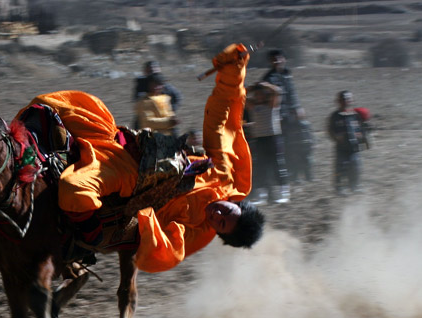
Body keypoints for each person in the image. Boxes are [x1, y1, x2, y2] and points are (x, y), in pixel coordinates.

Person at [18, 44, 263, 273]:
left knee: (75, 190)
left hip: (127, 176)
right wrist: (233, 71)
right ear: (236, 202)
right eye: (227, 211)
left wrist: (147, 213)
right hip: (128, 144)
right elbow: (221, 121)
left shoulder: (196, 230)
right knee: (56, 105)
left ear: (218, 233)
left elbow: (167, 250)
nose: (217, 214)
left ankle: (88, 238)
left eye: (220, 223)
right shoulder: (223, 174)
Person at [261, 49, 307, 184]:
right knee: (281, 147)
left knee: (295, 145)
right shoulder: (268, 78)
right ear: (270, 61)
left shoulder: (287, 74)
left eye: (279, 58)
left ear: (284, 59)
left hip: (292, 116)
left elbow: (292, 93)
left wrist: (298, 107)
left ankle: (296, 174)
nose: (277, 61)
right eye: (274, 59)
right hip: (278, 118)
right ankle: (283, 176)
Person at [243, 81, 289, 205]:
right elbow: (240, 95)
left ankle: (283, 193)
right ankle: (261, 195)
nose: (259, 96)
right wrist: (251, 88)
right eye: (256, 94)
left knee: (277, 165)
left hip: (273, 138)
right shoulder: (252, 106)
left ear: (265, 94)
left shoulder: (272, 104)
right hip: (259, 139)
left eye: (261, 94)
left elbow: (278, 91)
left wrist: (266, 85)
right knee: (260, 167)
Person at [327, 90, 367, 195]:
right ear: (339, 101)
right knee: (341, 167)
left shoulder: (355, 115)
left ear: (352, 100)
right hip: (342, 147)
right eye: (344, 99)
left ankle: (355, 186)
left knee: (355, 166)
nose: (346, 101)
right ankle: (339, 188)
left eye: (348, 98)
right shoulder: (335, 116)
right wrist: (336, 137)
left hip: (354, 146)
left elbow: (361, 128)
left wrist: (361, 136)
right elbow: (330, 130)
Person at [132, 60, 182, 128]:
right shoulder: (141, 85)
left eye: (155, 70)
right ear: (145, 72)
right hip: (145, 120)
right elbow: (137, 101)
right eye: (150, 71)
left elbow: (177, 97)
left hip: (164, 119)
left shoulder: (164, 83)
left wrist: (169, 109)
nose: (153, 72)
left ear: (159, 70)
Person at [134, 72, 179, 136]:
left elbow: (170, 115)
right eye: (154, 85)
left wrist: (173, 121)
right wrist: (169, 122)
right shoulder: (145, 102)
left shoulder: (165, 98)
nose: (156, 87)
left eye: (159, 85)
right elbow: (147, 122)